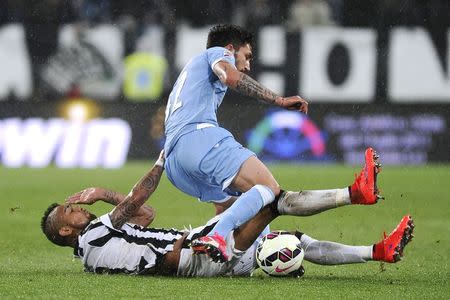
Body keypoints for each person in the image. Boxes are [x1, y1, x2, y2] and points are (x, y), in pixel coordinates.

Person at [163, 24, 384, 262]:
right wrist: (278, 100)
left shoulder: (190, 73)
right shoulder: (217, 53)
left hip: (175, 163)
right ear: (230, 48)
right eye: (246, 56)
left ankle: (371, 247)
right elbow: (230, 76)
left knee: (248, 209)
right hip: (199, 138)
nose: (248, 65)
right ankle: (216, 235)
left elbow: (224, 208)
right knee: (269, 190)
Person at [41, 152, 414, 277]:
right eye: (70, 212)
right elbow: (139, 196)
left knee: (295, 240)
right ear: (65, 233)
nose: (77, 207)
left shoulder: (94, 249)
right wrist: (162, 157)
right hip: (196, 251)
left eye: (74, 203)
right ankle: (355, 193)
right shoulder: (92, 237)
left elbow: (145, 214)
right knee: (268, 199)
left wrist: (109, 201)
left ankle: (377, 251)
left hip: (197, 250)